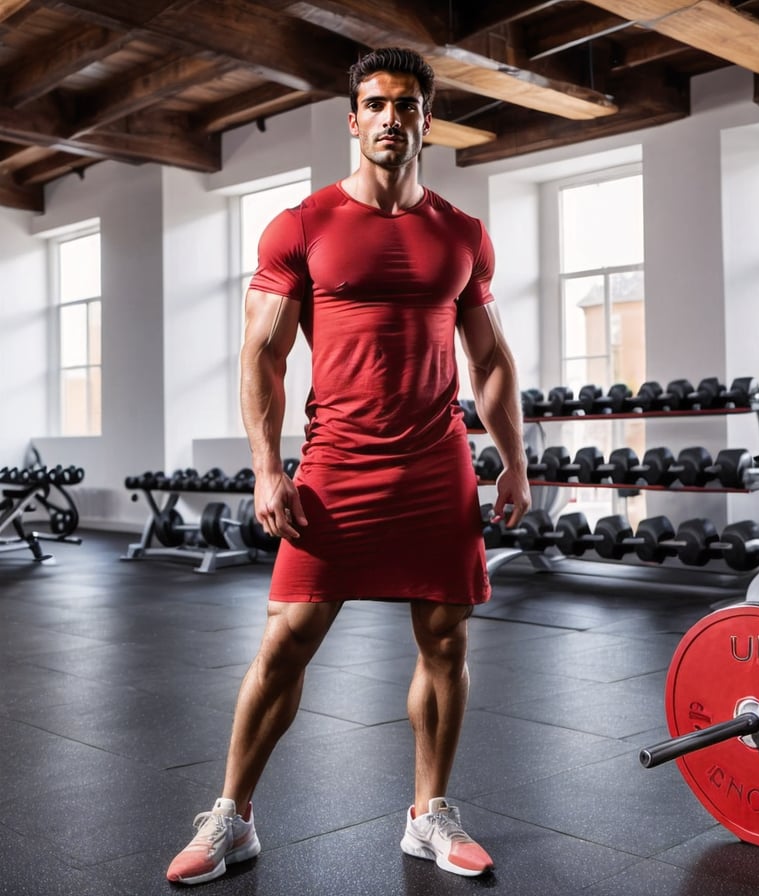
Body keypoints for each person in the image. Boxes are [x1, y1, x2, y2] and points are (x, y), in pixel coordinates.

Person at [166, 46, 531, 886]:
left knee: (445, 639)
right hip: (337, 461)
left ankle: (428, 814)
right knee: (288, 639)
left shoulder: (463, 235)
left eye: (407, 105)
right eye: (375, 104)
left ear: (427, 120)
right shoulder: (301, 226)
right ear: (353, 117)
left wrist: (513, 459)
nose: (390, 118)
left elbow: (492, 357)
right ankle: (234, 816)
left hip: (438, 461)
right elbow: (261, 356)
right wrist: (267, 468)